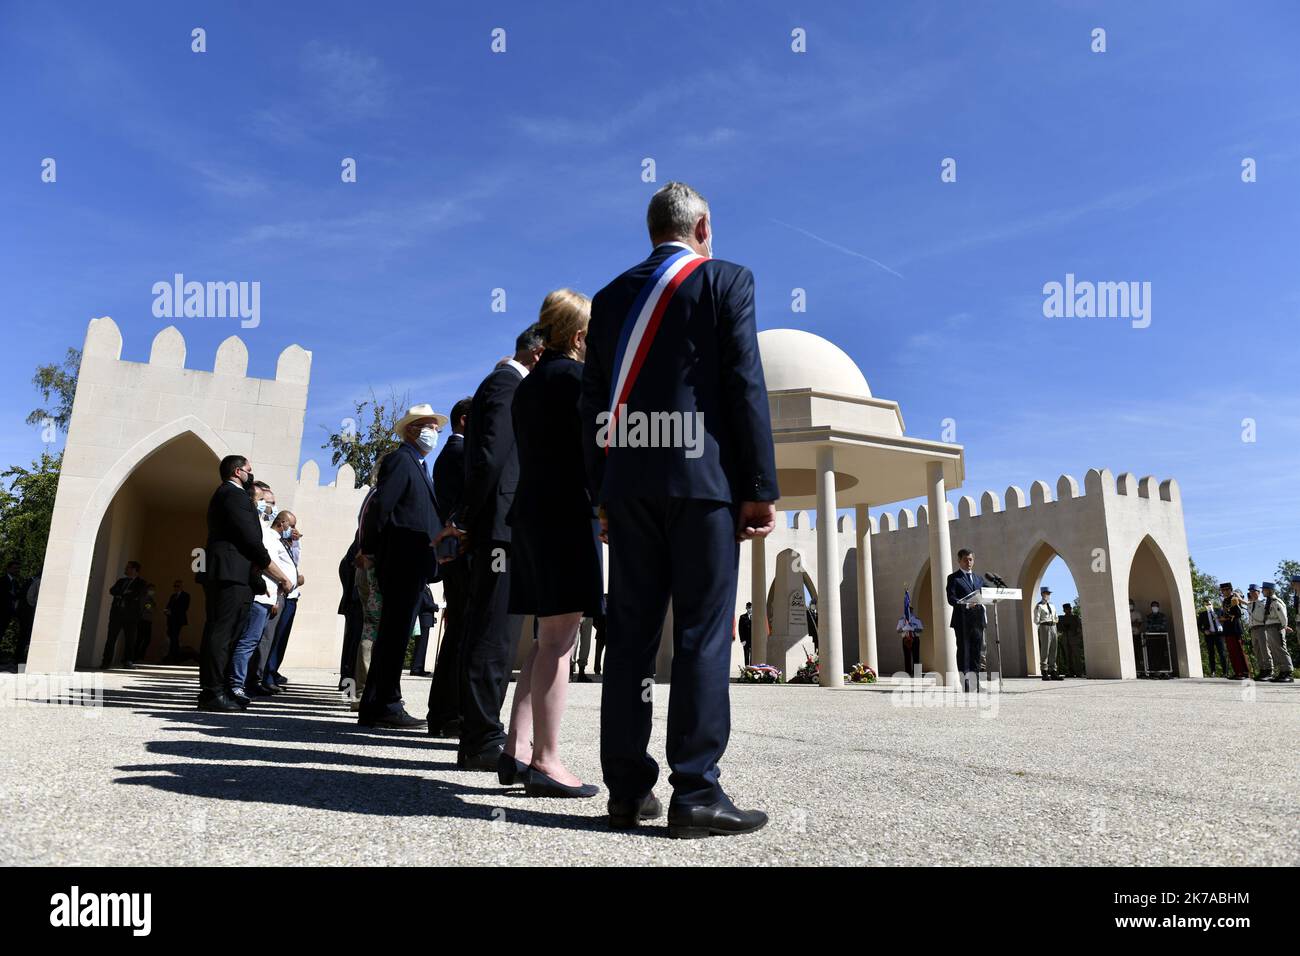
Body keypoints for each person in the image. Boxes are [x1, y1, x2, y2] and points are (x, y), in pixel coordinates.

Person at [580, 181, 779, 836]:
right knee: (700, 633)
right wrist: (759, 486)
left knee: (631, 638)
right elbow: (744, 381)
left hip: (630, 485)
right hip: (702, 485)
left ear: (652, 230)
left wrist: (601, 494)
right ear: (703, 226)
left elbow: (593, 410)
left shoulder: (608, 299)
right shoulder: (726, 280)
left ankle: (626, 792)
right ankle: (695, 792)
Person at [493, 289, 603, 798]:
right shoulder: (578, 380)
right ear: (580, 336)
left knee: (542, 641)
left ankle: (516, 748)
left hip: (531, 514)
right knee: (560, 642)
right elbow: (595, 451)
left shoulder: (529, 385)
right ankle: (547, 760)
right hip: (565, 513)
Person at [437, 327, 543, 769]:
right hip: (499, 528)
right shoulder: (506, 383)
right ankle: (480, 736)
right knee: (492, 635)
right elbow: (491, 457)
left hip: (505, 526)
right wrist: (467, 516)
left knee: (495, 633)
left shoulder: (511, 383)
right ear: (538, 354)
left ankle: (480, 730)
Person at [358, 404, 447, 728]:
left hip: (412, 560)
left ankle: (376, 704)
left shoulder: (419, 465)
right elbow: (381, 508)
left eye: (436, 427)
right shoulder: (401, 460)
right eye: (428, 426)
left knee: (395, 636)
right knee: (394, 636)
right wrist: (371, 550)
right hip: (401, 559)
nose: (434, 432)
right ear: (411, 430)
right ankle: (386, 703)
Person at [197, 456, 290, 711]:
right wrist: (271, 569)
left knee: (231, 634)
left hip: (237, 575)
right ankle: (212, 692)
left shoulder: (230, 495)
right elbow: (249, 536)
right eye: (249, 470)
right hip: (229, 574)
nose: (252, 474)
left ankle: (223, 688)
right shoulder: (233, 495)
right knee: (222, 633)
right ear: (238, 472)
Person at [425, 396, 472, 737]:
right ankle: (448, 713)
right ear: (467, 421)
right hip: (462, 554)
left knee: (459, 633)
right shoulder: (459, 453)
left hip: (455, 555)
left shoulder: (450, 454)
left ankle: (444, 713)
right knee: (461, 635)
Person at [263, 526, 305, 689]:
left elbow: (294, 563)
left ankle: (272, 673)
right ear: (283, 524)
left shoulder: (289, 545)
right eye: (291, 526)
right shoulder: (273, 541)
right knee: (272, 638)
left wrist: (296, 543)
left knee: (281, 640)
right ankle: (265, 676)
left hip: (292, 598)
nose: (294, 529)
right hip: (281, 597)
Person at [945, 549, 987, 691]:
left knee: (976, 652)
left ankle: (976, 682)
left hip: (977, 620)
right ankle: (966, 683)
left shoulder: (979, 579)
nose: (968, 562)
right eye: (965, 560)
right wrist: (966, 604)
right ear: (959, 561)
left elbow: (987, 593)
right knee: (964, 651)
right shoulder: (953, 578)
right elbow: (951, 598)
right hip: (962, 620)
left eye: (971, 559)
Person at [100, 561, 146, 669]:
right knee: (111, 638)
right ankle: (106, 662)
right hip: (116, 614)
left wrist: (122, 594)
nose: (125, 569)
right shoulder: (121, 581)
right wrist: (124, 593)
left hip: (131, 616)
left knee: (130, 639)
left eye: (128, 568)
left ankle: (128, 661)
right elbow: (112, 590)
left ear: (134, 570)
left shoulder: (141, 583)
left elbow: (136, 595)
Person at [1249, 582, 1293, 683]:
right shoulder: (1269, 601)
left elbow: (1283, 616)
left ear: (1269, 590)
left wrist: (1283, 626)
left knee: (1281, 649)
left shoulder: (1276, 601)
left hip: (1276, 626)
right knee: (1275, 649)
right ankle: (1282, 671)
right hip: (1269, 626)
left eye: (1264, 589)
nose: (1263, 591)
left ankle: (1288, 672)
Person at [1216, 582, 1250, 680]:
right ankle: (1237, 671)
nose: (1225, 592)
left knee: (1238, 650)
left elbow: (1238, 614)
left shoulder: (1234, 599)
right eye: (1223, 590)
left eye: (1227, 590)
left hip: (1235, 628)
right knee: (1232, 651)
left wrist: (1225, 618)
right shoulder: (1225, 601)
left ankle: (1244, 672)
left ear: (1231, 590)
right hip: (1228, 629)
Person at [1033, 586, 1061, 681]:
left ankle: (1053, 671)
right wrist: (1043, 623)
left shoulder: (1052, 605)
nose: (1048, 595)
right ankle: (1044, 671)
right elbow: (1036, 620)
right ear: (1042, 594)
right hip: (1044, 626)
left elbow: (1056, 617)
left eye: (1049, 593)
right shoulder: (1039, 606)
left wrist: (1054, 622)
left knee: (1054, 648)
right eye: (1046, 593)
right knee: (1045, 649)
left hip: (1053, 626)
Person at [409, 587, 437, 676]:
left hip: (426, 620)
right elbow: (426, 603)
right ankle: (416, 668)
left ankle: (420, 667)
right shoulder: (422, 588)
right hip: (423, 619)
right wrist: (437, 606)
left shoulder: (427, 588)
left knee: (423, 646)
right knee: (421, 645)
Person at [163, 580, 191, 662]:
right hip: (171, 620)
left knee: (174, 637)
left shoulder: (186, 595)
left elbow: (184, 607)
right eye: (175, 586)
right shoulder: (173, 596)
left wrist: (172, 611)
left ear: (182, 587)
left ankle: (174, 656)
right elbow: (168, 605)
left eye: (178, 586)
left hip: (178, 620)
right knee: (172, 637)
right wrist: (166, 610)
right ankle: (173, 655)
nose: (176, 588)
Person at [1199, 598, 1228, 678]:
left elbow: (1225, 620)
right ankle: (1213, 672)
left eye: (1209, 604)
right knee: (1211, 654)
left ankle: (1225, 672)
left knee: (1222, 653)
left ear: (1212, 603)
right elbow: (1199, 626)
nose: (1208, 605)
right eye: (1206, 604)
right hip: (1210, 636)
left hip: (1219, 635)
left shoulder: (1219, 611)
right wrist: (1204, 630)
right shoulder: (1202, 614)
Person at [1057, 603, 1085, 678]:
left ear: (1070, 609)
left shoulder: (1075, 618)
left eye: (1068, 609)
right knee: (1067, 656)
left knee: (1077, 656)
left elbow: (1080, 628)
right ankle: (1070, 671)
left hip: (1074, 638)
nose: (1067, 610)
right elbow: (1059, 628)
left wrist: (1078, 634)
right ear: (1064, 610)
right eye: (1066, 609)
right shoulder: (1062, 619)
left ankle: (1079, 672)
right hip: (1065, 638)